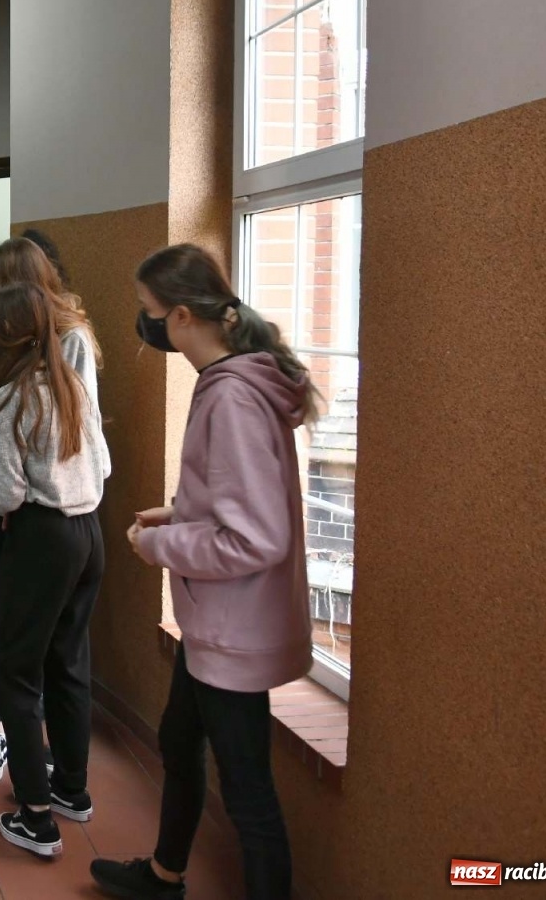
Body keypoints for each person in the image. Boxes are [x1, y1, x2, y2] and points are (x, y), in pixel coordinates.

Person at [90, 243, 316, 900]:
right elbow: (237, 498)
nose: (145, 323)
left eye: (148, 310)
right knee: (178, 739)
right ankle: (165, 875)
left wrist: (161, 545)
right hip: (218, 622)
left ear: (183, 316)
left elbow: (254, 537)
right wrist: (182, 511)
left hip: (233, 630)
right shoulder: (230, 380)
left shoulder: (233, 398)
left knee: (248, 796)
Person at [0, 237, 108, 787]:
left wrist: (13, 488)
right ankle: (42, 763)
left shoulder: (69, 340)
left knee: (46, 657)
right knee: (4, 627)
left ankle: (42, 793)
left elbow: (76, 438)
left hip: (35, 512)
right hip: (21, 505)